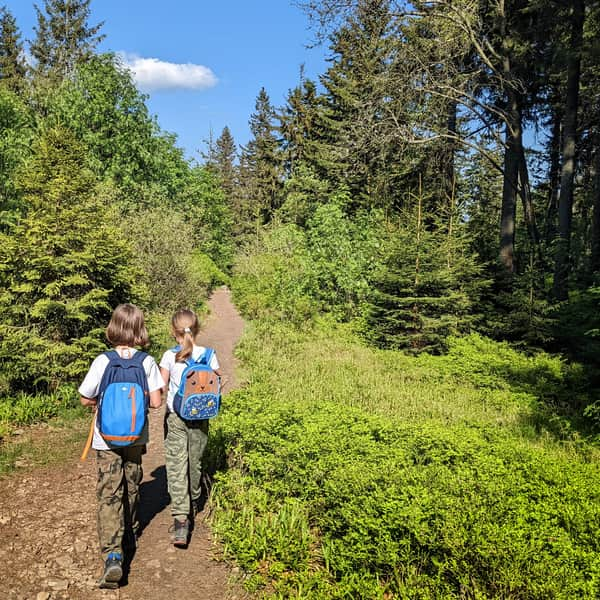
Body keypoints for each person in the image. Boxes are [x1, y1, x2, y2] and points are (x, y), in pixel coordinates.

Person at [79, 303, 163, 589]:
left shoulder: (102, 361)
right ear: (140, 329)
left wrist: (99, 404)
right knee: (132, 482)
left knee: (109, 492)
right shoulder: (146, 361)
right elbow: (154, 402)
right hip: (136, 436)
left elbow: (85, 397)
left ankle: (113, 555)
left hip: (106, 439)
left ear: (113, 327)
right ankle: (131, 533)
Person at [159, 308, 221, 547]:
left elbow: (161, 386)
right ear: (197, 329)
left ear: (173, 331)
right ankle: (195, 500)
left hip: (176, 418)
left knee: (176, 465)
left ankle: (181, 520)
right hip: (201, 418)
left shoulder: (169, 356)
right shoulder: (209, 354)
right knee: (195, 461)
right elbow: (216, 382)